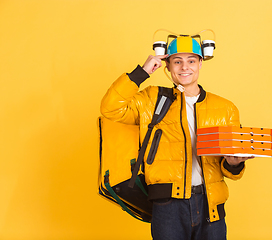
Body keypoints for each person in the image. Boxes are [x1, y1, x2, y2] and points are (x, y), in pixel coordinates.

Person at [100, 35, 254, 240]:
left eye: (191, 61)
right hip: (167, 206)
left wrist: (234, 164)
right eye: (177, 61)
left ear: (200, 63)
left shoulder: (226, 109)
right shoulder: (151, 100)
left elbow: (231, 169)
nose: (184, 67)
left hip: (211, 204)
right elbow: (110, 109)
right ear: (167, 65)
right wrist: (142, 72)